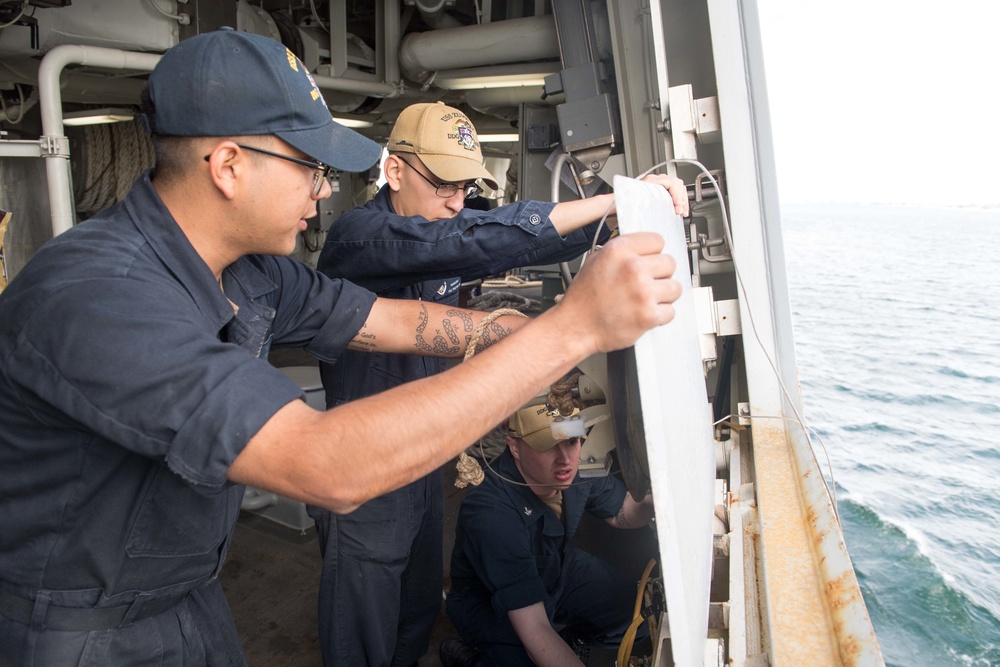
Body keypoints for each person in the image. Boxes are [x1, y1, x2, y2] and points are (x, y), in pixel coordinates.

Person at [0, 30, 682, 666]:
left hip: (187, 590)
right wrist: (573, 327)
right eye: (309, 166)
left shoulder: (251, 268)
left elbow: (389, 319)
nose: (324, 188)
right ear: (229, 165)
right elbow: (326, 465)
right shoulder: (100, 294)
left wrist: (516, 331)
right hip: (79, 629)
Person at [310, 101, 689, 667]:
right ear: (394, 172)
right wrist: (609, 200)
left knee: (414, 608)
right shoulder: (360, 237)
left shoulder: (440, 223)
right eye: (443, 185)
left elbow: (501, 238)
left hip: (420, 465)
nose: (456, 202)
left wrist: (613, 221)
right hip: (362, 473)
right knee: (361, 628)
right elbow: (463, 240)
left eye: (464, 187)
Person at [443, 391, 656, 667]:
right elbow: (533, 626)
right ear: (514, 446)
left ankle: (568, 639)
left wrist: (661, 503)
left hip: (557, 570)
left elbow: (621, 511)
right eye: (547, 445)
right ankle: (470, 659)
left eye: (572, 441)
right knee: (532, 653)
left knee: (639, 615)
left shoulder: (572, 467)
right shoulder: (490, 513)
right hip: (497, 605)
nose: (565, 459)